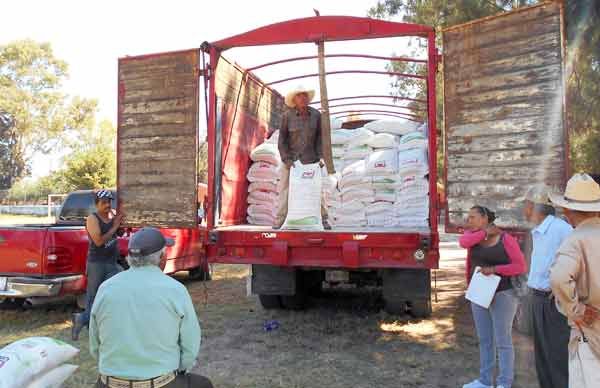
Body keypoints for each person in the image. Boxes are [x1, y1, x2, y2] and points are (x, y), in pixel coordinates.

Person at [90, 227, 213, 388]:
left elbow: (95, 345)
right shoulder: (175, 290)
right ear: (162, 258)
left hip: (110, 382)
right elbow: (190, 347)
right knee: (203, 384)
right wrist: (179, 369)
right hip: (160, 383)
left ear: (130, 258)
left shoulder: (105, 288)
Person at [459, 206, 527, 388]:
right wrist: (484, 233)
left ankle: (504, 382)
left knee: (503, 340)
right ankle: (485, 381)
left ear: (484, 218)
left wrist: (495, 270)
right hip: (479, 293)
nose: (468, 220)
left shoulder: (506, 239)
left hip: (504, 294)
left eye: (473, 217)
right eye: (468, 217)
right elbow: (463, 242)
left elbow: (520, 266)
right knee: (485, 339)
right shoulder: (473, 238)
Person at [549, 173, 600, 387]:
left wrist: (576, 309)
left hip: (589, 329)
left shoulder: (574, 240)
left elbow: (559, 277)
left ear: (567, 211)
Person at [519, 184, 572, 388]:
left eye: (526, 205)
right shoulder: (539, 230)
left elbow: (577, 262)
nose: (524, 210)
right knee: (542, 355)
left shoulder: (561, 229)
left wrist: (561, 290)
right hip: (538, 298)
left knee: (557, 355)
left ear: (533, 206)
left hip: (553, 302)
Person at [274, 85, 330, 230]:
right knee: (285, 189)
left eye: (305, 95)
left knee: (318, 189)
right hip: (291, 160)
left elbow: (320, 139)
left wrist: (320, 157)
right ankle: (280, 220)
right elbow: (282, 141)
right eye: (299, 96)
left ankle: (323, 219)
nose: (303, 98)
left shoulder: (316, 115)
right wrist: (287, 160)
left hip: (311, 160)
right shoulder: (287, 116)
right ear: (294, 99)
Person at [72, 189, 124, 341]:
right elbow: (99, 241)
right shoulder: (92, 219)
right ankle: (85, 322)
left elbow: (118, 234)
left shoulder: (112, 215)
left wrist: (119, 225)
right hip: (97, 263)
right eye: (103, 203)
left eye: (109, 202)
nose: (107, 205)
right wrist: (115, 226)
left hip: (112, 262)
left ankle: (83, 319)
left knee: (115, 291)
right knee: (93, 296)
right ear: (96, 205)